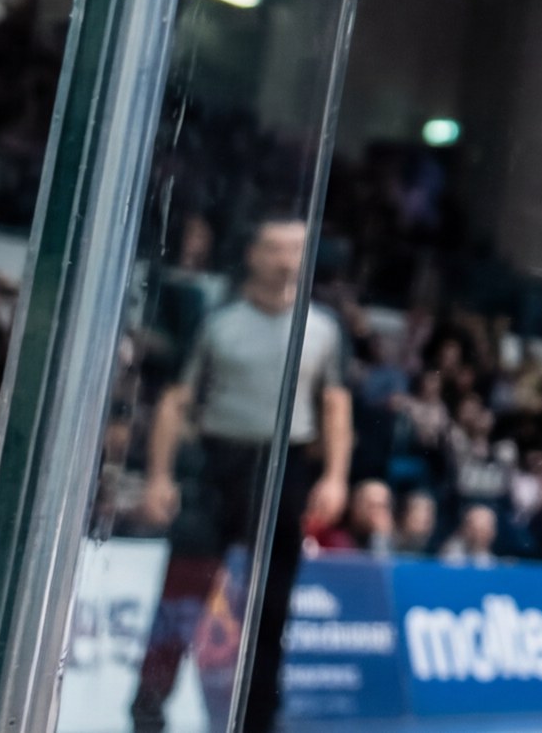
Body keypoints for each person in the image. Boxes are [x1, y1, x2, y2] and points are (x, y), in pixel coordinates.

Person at [134, 216, 350, 733]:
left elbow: (334, 404)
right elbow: (175, 401)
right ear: (252, 254)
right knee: (182, 598)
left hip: (286, 469)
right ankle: (146, 711)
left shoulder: (323, 328)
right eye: (275, 248)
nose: (286, 260)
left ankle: (258, 721)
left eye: (296, 249)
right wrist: (159, 476)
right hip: (216, 466)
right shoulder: (217, 322)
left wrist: (335, 477)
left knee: (273, 607)